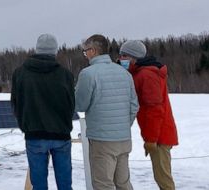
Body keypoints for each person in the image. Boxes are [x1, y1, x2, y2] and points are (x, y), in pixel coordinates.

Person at [11, 34, 76, 190]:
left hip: (34, 134)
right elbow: (71, 104)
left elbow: (16, 103)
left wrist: (25, 125)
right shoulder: (65, 75)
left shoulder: (20, 74)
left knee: (38, 184)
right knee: (65, 184)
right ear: (55, 51)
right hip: (61, 134)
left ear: (37, 49)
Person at [75, 34, 139, 190]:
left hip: (102, 140)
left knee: (103, 184)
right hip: (123, 139)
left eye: (85, 51)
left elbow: (80, 105)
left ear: (93, 51)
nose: (85, 55)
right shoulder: (125, 73)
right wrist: (122, 126)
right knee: (123, 184)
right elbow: (134, 105)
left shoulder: (88, 74)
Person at [119, 40, 178, 190]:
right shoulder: (139, 73)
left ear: (134, 57)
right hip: (157, 133)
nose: (121, 59)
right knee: (161, 175)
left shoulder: (147, 75)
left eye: (124, 56)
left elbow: (154, 109)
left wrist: (151, 139)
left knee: (163, 177)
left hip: (160, 135)